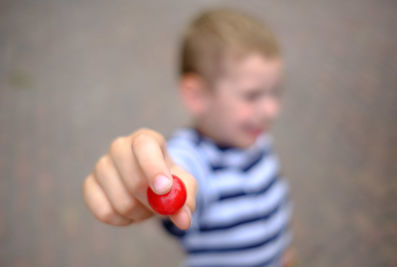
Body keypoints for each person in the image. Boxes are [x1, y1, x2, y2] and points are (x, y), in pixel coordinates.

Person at [82, 7, 294, 267]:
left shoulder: (257, 140)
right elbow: (181, 172)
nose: (272, 109)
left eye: (275, 92)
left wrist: (279, 251)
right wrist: (153, 178)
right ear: (197, 96)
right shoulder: (196, 160)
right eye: (252, 95)